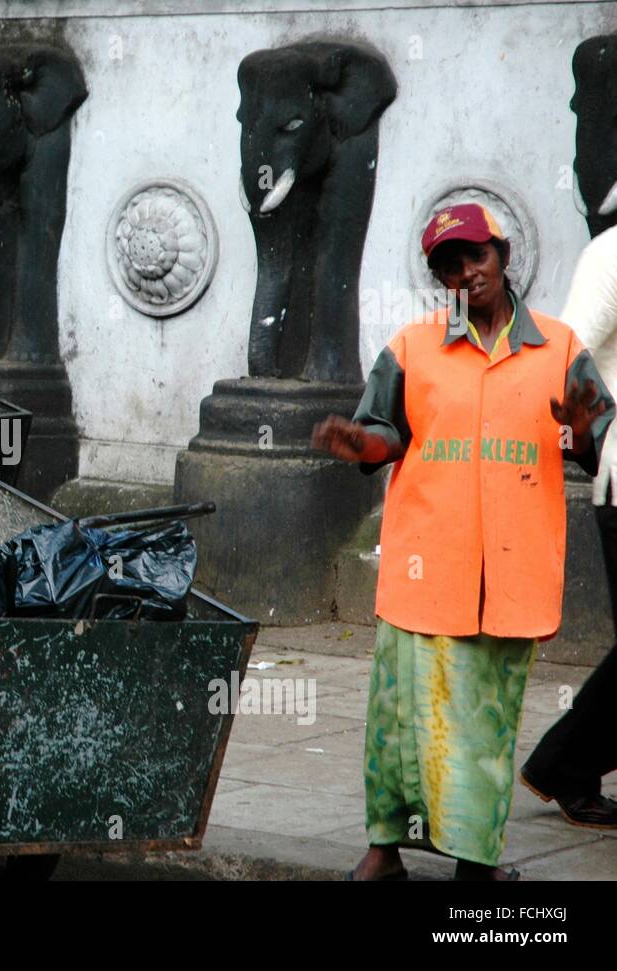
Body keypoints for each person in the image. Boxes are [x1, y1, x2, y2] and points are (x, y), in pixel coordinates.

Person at [312, 203, 613, 881]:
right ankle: (383, 851)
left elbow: (586, 448)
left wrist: (579, 429)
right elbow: (386, 433)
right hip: (424, 570)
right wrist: (360, 441)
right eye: (449, 265)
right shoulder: (412, 348)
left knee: (481, 730)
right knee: (397, 723)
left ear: (502, 255)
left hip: (507, 579)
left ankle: (475, 865)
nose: (465, 272)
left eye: (475, 256)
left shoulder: (560, 348)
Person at [519, 224, 617, 828]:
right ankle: (566, 763)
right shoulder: (610, 256)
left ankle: (566, 763)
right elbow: (566, 360)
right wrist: (593, 439)